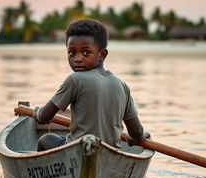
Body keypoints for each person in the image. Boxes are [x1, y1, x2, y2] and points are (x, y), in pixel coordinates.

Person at [35, 18, 150, 151]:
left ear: (102, 54)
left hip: (76, 151)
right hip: (110, 155)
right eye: (72, 53)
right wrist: (139, 136)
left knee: (46, 139)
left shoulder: (74, 79)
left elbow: (44, 116)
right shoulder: (122, 85)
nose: (77, 59)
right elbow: (136, 132)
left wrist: (37, 113)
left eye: (86, 53)